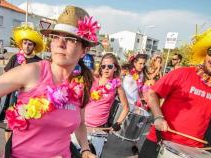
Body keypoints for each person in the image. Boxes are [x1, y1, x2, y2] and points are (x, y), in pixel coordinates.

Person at [0, 6, 100, 158]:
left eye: (70, 39)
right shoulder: (34, 72)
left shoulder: (80, 85)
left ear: (84, 50)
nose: (60, 44)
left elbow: (81, 122)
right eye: (56, 37)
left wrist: (85, 149)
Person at [139, 29, 211, 158]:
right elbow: (152, 93)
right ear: (204, 53)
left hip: (193, 152)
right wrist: (158, 117)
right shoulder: (183, 73)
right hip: (160, 142)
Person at [0, 24, 43, 140]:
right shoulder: (15, 58)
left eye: (30, 44)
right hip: (12, 97)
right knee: (9, 126)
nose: (27, 46)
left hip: (29, 100)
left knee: (26, 127)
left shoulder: (39, 62)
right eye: (25, 43)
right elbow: (5, 76)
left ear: (34, 46)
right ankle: (7, 151)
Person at [85, 53, 129, 129]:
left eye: (110, 66)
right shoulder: (92, 80)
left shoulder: (117, 85)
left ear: (115, 68)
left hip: (100, 128)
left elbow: (126, 107)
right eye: (103, 66)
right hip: (82, 124)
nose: (106, 68)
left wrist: (118, 123)